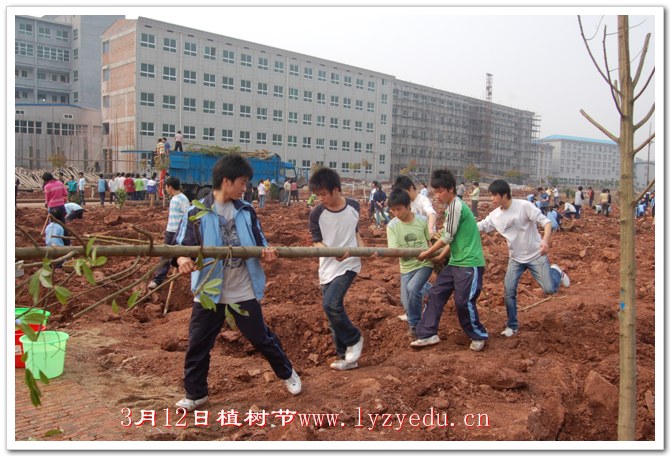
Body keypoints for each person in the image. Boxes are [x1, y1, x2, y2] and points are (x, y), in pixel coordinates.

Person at [173, 153, 301, 411]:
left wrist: (267, 254)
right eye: (242, 182)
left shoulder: (246, 210)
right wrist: (182, 260)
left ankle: (287, 373)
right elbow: (180, 246)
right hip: (209, 291)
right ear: (226, 180)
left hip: (241, 290)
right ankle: (196, 394)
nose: (246, 188)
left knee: (260, 338)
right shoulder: (197, 211)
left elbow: (260, 241)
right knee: (198, 344)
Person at [477, 179, 570, 337]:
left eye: (494, 195)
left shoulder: (524, 206)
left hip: (536, 255)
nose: (491, 199)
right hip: (516, 259)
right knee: (509, 291)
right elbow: (480, 226)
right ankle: (512, 325)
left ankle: (556, 272)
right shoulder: (495, 215)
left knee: (549, 289)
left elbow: (546, 223)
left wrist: (545, 242)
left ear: (505, 194)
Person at [410, 169, 488, 352]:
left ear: (451, 189)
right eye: (435, 191)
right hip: (456, 262)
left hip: (470, 263)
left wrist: (427, 252)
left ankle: (478, 334)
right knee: (436, 293)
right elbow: (451, 238)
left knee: (463, 301)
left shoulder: (456, 206)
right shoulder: (450, 208)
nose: (437, 195)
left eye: (440, 191)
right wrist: (440, 256)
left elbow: (447, 237)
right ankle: (428, 333)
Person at [309, 167, 365, 371]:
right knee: (333, 316)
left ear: (336, 190)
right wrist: (331, 252)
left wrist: (362, 251)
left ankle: (355, 338)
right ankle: (346, 358)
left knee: (331, 304)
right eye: (317, 195)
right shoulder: (317, 213)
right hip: (327, 267)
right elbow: (316, 242)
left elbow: (355, 232)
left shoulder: (354, 206)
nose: (320, 198)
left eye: (323, 194)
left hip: (349, 264)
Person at [386, 188, 433, 338]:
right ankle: (430, 290)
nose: (396, 213)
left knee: (413, 288)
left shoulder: (422, 221)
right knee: (405, 302)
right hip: (406, 267)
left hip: (424, 264)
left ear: (408, 206)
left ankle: (415, 325)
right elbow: (394, 250)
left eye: (399, 209)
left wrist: (431, 255)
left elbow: (430, 241)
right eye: (393, 210)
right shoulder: (392, 226)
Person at [148, 176, 191, 290]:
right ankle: (158, 280)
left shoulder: (182, 199)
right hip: (170, 231)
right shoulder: (173, 198)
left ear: (170, 187)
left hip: (178, 233)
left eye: (166, 187)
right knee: (165, 255)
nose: (165, 189)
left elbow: (187, 216)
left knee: (179, 255)